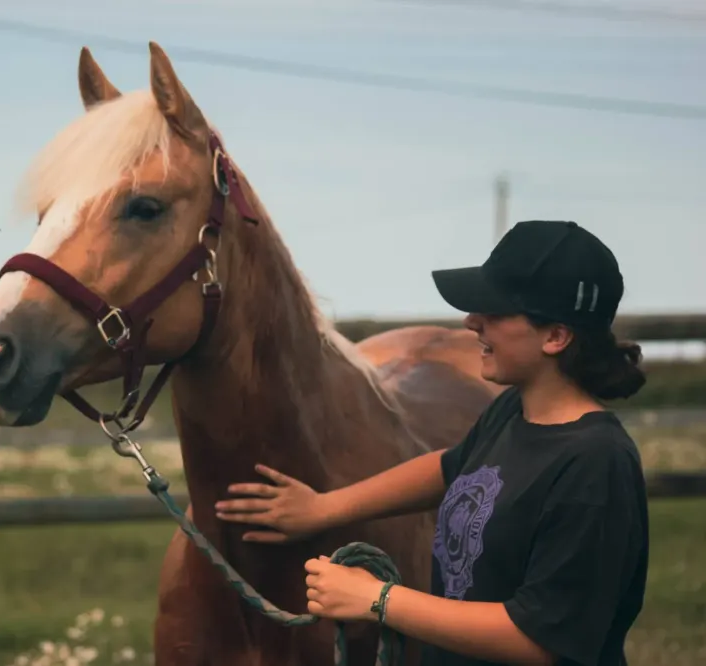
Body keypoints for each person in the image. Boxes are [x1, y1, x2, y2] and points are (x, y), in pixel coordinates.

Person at [214, 220, 650, 666]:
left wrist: (379, 600)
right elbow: (450, 468)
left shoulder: (596, 465)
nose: (471, 322)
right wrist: (322, 508)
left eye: (495, 312)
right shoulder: (512, 413)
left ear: (556, 336)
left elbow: (540, 641)